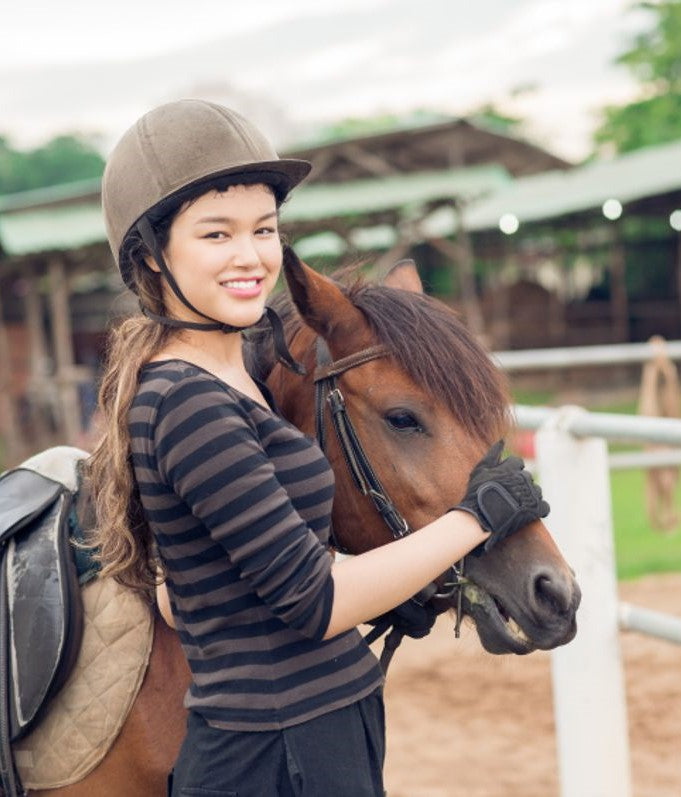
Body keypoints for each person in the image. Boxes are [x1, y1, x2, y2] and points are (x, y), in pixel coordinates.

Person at [87, 99, 549, 797]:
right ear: (153, 255)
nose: (251, 256)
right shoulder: (185, 402)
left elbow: (197, 600)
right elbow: (315, 600)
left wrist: (397, 585)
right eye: (217, 234)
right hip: (272, 759)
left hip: (319, 735)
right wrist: (476, 517)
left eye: (264, 229)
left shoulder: (235, 374)